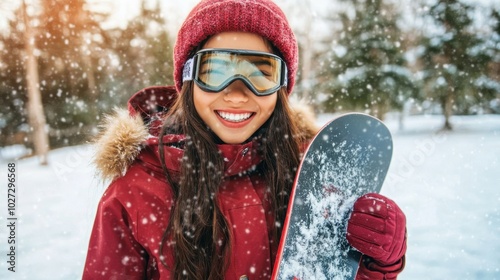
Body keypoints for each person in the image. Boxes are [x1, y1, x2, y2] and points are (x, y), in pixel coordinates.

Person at [83, 0, 407, 279]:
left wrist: (378, 261)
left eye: (259, 73)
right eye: (216, 70)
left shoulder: (309, 174)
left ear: (281, 88)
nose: (237, 95)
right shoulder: (134, 191)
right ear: (189, 78)